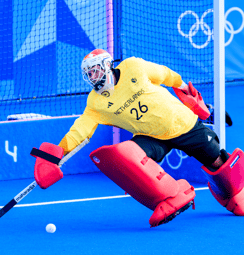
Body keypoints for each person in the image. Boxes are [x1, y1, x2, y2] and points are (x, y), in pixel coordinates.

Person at [32, 49, 244, 227]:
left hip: (183, 124)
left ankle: (233, 193)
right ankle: (171, 197)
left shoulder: (133, 67)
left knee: (219, 163)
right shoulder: (95, 103)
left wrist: (187, 93)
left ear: (107, 65)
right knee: (125, 154)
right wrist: (57, 154)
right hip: (151, 136)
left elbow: (165, 75)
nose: (93, 77)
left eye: (96, 70)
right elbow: (80, 130)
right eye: (89, 74)